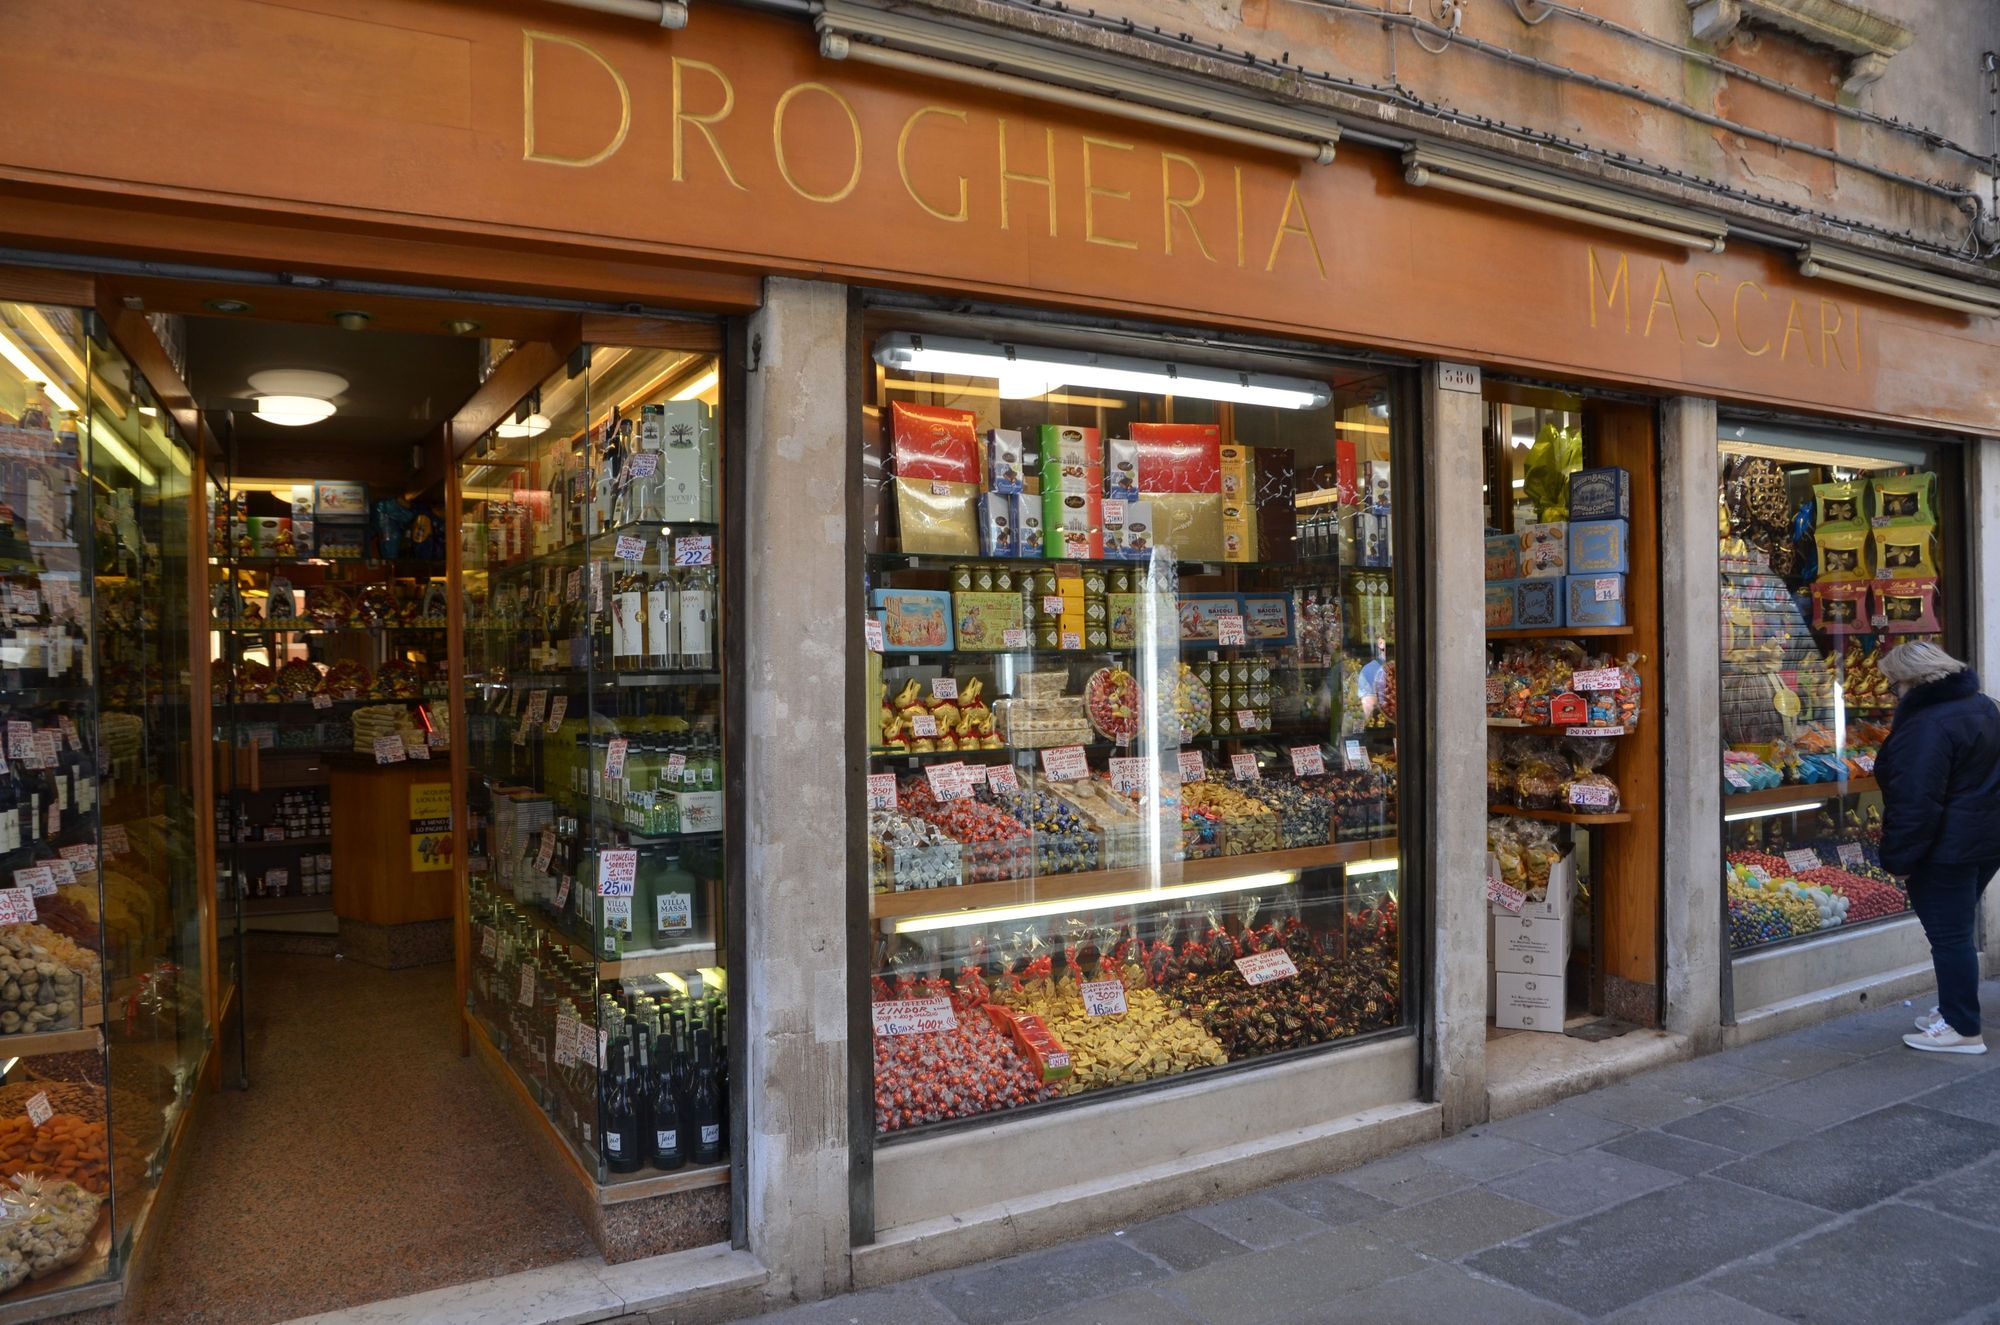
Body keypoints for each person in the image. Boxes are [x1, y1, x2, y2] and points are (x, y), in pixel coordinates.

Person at [1872, 641, 2000, 1054]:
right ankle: (1951, 1012)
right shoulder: (1983, 706)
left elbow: (1916, 800)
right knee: (1957, 932)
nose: (1893, 692)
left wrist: (1900, 858)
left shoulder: (1926, 724)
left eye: (1894, 684)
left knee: (1949, 937)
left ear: (1911, 680)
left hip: (1947, 847)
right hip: (1984, 839)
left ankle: (1962, 1029)